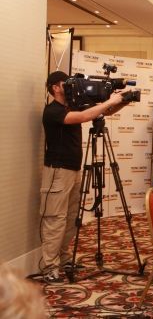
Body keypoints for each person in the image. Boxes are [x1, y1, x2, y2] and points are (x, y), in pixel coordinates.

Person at [41, 71, 125, 283]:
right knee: (55, 219)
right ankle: (49, 267)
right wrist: (110, 102)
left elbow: (103, 112)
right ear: (55, 88)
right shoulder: (52, 111)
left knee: (71, 219)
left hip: (73, 169)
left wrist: (122, 101)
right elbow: (85, 117)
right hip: (57, 171)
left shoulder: (72, 106)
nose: (71, 85)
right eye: (65, 83)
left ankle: (64, 259)